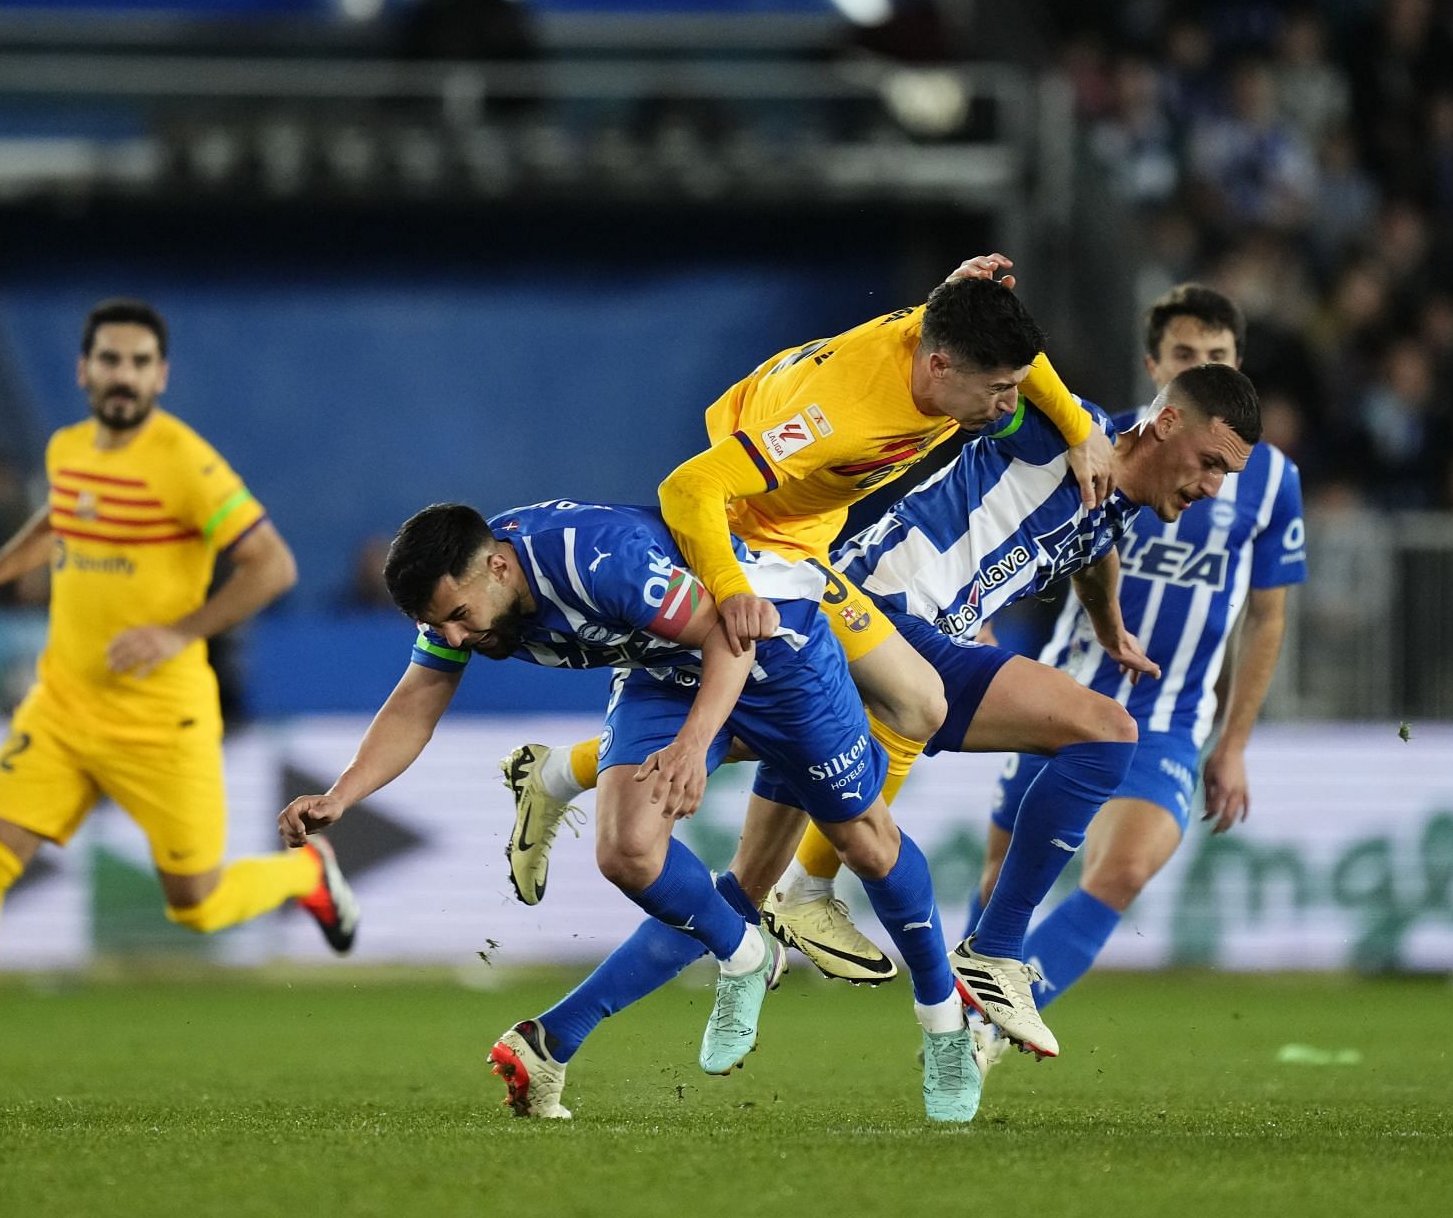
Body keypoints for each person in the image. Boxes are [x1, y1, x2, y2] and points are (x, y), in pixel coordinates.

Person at [486, 365, 1261, 1069]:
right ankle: (980, 949)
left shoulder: (1110, 501)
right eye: (1211, 464)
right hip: (875, 621)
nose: (1214, 488)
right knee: (1102, 732)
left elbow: (1091, 548)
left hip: (915, 641)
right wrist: (1032, 376)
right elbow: (1007, 377)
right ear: (1164, 424)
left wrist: (1108, 622)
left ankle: (556, 1029)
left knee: (742, 892)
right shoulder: (1067, 432)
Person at [502, 262, 1117, 986]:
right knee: (912, 701)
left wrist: (1078, 431)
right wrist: (731, 591)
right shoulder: (839, 415)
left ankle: (558, 774)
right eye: (998, 391)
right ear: (942, 362)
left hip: (802, 537)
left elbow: (1014, 355)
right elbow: (690, 485)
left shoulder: (945, 337)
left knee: (859, 709)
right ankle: (811, 893)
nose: (1011, 405)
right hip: (750, 545)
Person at [273, 500, 981, 1123]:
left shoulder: (598, 561)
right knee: (628, 850)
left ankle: (943, 1021)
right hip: (661, 672)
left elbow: (729, 636)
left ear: (497, 566)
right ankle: (744, 950)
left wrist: (692, 748)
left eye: (457, 617)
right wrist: (342, 793)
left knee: (867, 844)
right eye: (439, 624)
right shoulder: (472, 600)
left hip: (770, 650)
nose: (455, 638)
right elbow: (415, 701)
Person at [0, 299, 348, 1084]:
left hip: (164, 718)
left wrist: (178, 631)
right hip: (63, 707)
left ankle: (307, 874)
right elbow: (63, 519)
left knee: (194, 902)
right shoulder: (67, 449)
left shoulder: (187, 463)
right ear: (83, 370)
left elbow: (274, 565)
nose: (122, 376)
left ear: (160, 375)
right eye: (109, 360)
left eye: (137, 363)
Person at [972, 285, 1307, 1063]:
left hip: (1171, 717)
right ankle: (961, 997)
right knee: (1000, 878)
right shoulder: (1104, 445)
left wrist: (1233, 741)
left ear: (1237, 368)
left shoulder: (1269, 481)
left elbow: (1268, 616)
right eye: (1186, 356)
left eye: (1217, 357)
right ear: (1157, 368)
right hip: (1066, 689)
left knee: (1120, 869)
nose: (1202, 365)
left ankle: (980, 1032)